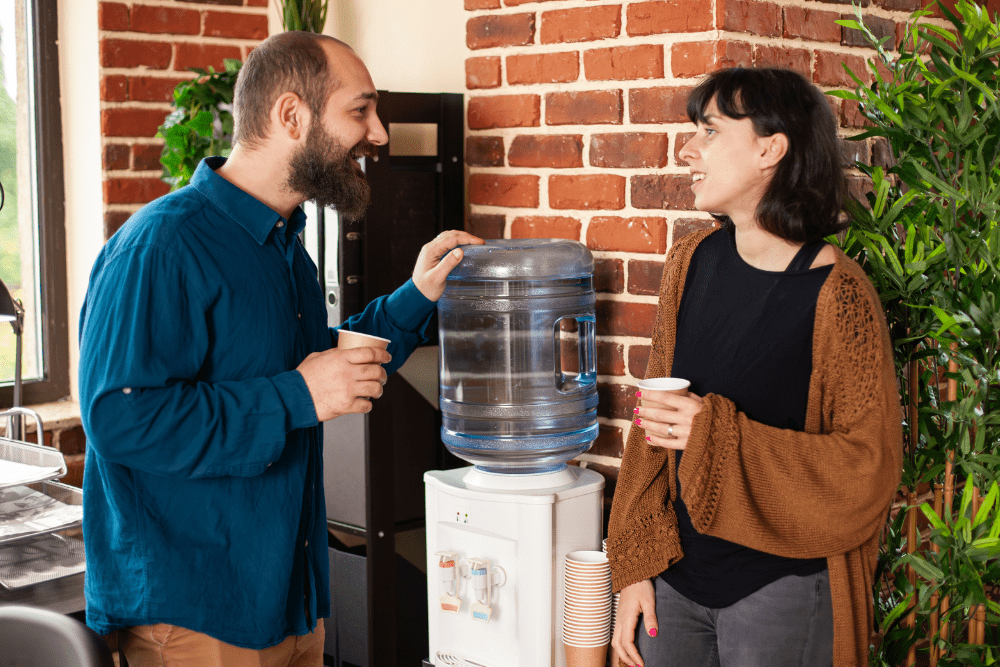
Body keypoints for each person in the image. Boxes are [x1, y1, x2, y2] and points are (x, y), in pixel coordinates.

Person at [78, 31, 482, 667]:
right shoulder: (160, 245)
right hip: (197, 617)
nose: (378, 134)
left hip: (290, 604)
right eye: (361, 111)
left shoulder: (283, 245)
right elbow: (121, 419)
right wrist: (298, 394)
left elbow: (313, 363)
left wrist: (416, 295)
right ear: (291, 115)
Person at [606, 67, 903, 667]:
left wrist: (710, 432)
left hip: (782, 592)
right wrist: (634, 565)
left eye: (709, 132)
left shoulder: (838, 293)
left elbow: (867, 468)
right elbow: (651, 427)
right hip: (674, 581)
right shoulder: (691, 262)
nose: (687, 150)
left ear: (771, 148)